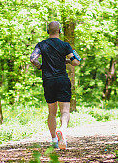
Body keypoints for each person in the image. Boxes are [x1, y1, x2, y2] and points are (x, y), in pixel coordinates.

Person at [29, 21, 82, 150]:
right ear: (60, 31)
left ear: (48, 31)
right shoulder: (65, 45)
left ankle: (54, 140)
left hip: (48, 81)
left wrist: (42, 66)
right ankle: (62, 130)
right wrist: (69, 60)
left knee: (52, 112)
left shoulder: (41, 45)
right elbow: (75, 62)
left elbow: (33, 59)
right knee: (64, 110)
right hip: (62, 80)